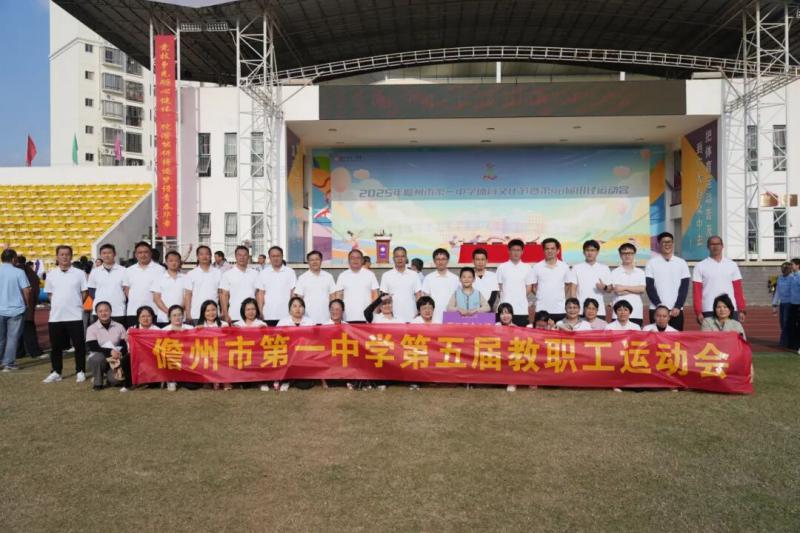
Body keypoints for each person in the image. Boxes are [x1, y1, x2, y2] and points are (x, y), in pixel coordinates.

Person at [43, 245, 89, 383]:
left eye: (67, 254)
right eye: (61, 254)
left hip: (75, 315)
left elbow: (84, 292)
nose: (64, 257)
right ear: (57, 256)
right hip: (56, 316)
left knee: (79, 345)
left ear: (71, 256)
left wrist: (75, 304)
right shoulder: (51, 274)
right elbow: (50, 294)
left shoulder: (79, 273)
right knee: (56, 347)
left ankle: (80, 371)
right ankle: (56, 371)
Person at [692, 236, 747, 325]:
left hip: (730, 308)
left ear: (722, 246)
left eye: (718, 244)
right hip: (708, 309)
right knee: (710, 335)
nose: (715, 246)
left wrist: (741, 309)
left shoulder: (732, 265)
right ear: (708, 246)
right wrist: (698, 311)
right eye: (712, 244)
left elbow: (738, 290)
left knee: (731, 334)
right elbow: (697, 292)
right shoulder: (700, 266)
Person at [645, 232, 690, 330]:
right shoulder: (651, 263)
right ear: (658, 245)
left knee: (676, 338)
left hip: (676, 310)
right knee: (656, 338)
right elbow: (649, 287)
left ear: (673, 244)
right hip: (656, 309)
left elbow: (684, 287)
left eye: (669, 242)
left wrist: (678, 306)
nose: (667, 244)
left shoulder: (681, 263)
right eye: (664, 242)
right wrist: (659, 305)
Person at [85, 301, 131, 391]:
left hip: (115, 359)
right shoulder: (91, 328)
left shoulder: (119, 326)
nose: (103, 313)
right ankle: (98, 383)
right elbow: (93, 347)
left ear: (110, 311)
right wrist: (110, 351)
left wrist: (119, 353)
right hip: (99, 357)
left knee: (116, 381)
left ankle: (109, 378)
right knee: (97, 358)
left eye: (106, 310)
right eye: (100, 311)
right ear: (96, 313)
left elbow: (124, 344)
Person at [528, 238, 573, 322]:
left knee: (560, 330)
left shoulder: (564, 267)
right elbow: (533, 287)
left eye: (552, 248)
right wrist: (540, 295)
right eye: (547, 249)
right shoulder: (537, 267)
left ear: (557, 251)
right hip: (541, 309)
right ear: (544, 250)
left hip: (560, 309)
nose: (550, 251)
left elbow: (567, 285)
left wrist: (559, 296)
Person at [0, 249, 31, 371]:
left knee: (1, 338)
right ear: (14, 259)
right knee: (12, 338)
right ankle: (8, 363)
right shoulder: (19, 272)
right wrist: (27, 303)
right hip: (16, 309)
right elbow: (26, 290)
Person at [122, 241, 165, 329]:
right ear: (136, 255)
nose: (143, 255)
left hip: (155, 311)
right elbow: (126, 289)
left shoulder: (160, 269)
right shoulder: (129, 270)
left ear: (151, 253)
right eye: (140, 252)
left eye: (146, 252)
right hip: (133, 312)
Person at [569, 240, 611, 318]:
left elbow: (610, 289)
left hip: (599, 310)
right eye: (587, 250)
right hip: (580, 310)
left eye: (592, 250)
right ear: (583, 252)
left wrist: (604, 287)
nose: (590, 253)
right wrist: (574, 307)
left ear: (597, 252)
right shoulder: (576, 268)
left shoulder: (604, 268)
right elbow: (573, 289)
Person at [334, 249, 379, 323]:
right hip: (347, 317)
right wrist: (339, 315)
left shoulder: (370, 275)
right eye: (352, 258)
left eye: (358, 258)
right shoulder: (342, 276)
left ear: (362, 260)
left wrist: (374, 313)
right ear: (348, 261)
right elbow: (338, 297)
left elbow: (375, 296)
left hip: (367, 318)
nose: (355, 260)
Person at [379, 246, 422, 323]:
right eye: (397, 256)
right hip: (392, 318)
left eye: (402, 256)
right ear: (393, 259)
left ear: (406, 258)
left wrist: (419, 313)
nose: (400, 259)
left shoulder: (414, 275)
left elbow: (418, 295)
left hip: (412, 317)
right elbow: (383, 298)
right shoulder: (386, 275)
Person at [256, 246, 297, 326]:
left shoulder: (290, 272)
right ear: (269, 258)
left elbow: (293, 293)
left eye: (278, 256)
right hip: (268, 314)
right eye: (273, 256)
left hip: (286, 315)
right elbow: (260, 294)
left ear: (282, 256)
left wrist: (294, 310)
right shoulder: (263, 273)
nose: (275, 258)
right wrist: (260, 311)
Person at [607, 243, 646, 327]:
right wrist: (635, 290)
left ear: (634, 254)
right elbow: (618, 291)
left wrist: (624, 287)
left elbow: (642, 289)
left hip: (636, 312)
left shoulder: (640, 272)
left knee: (636, 335)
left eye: (630, 253)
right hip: (618, 313)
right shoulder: (614, 272)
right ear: (620, 255)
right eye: (624, 253)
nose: (627, 256)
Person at [292, 250, 336, 325]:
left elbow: (333, 297)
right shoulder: (302, 278)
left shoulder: (328, 276)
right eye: (312, 260)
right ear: (308, 262)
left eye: (317, 259)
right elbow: (299, 300)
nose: (314, 262)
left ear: (321, 261)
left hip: (326, 318)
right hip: (307, 319)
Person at [87, 243, 126, 324]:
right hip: (100, 311)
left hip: (118, 311)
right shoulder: (95, 272)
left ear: (114, 254)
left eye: (109, 253)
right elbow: (91, 290)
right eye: (104, 253)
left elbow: (126, 290)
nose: (106, 255)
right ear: (100, 255)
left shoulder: (124, 271)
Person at [496, 239, 532, 326]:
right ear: (509, 251)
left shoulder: (527, 268)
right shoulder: (502, 267)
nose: (516, 253)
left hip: (521, 310)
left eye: (518, 250)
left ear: (522, 252)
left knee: (521, 334)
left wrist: (519, 297)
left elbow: (529, 287)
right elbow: (498, 287)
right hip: (504, 311)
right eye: (513, 250)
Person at [219, 245, 259, 324]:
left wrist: (259, 312)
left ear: (248, 257)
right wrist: (225, 314)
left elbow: (258, 295)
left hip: (252, 315)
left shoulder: (255, 274)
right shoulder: (227, 274)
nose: (242, 257)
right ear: (235, 257)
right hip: (234, 315)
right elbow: (224, 295)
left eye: (244, 255)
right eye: (239, 255)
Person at [184, 245, 222, 324]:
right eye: (201, 254)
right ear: (197, 257)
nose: (204, 256)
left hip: (214, 314)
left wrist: (223, 312)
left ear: (211, 256)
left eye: (207, 254)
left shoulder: (218, 273)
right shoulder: (191, 274)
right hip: (196, 314)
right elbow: (188, 295)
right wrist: (187, 313)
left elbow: (221, 294)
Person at [14, 255, 42, 359]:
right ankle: (34, 351)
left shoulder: (16, 271)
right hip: (27, 304)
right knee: (28, 329)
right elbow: (35, 287)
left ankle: (19, 352)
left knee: (17, 330)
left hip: (15, 305)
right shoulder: (29, 272)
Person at [422, 248, 460, 324]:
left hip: (451, 318)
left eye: (443, 259)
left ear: (448, 260)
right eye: (438, 259)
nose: (440, 262)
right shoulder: (428, 278)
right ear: (434, 261)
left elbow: (459, 300)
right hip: (433, 318)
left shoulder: (455, 278)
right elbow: (425, 300)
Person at [151, 250, 187, 327]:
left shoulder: (185, 278)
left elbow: (186, 297)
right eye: (171, 261)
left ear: (180, 262)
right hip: (164, 317)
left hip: (181, 317)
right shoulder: (158, 278)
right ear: (166, 262)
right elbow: (156, 298)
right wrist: (169, 312)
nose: (173, 263)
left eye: (176, 261)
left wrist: (177, 312)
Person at [772, 262, 793, 348]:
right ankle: (788, 341)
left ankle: (784, 342)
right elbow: (777, 291)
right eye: (782, 268)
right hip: (782, 304)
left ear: (790, 269)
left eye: (786, 268)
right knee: (782, 323)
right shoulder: (780, 278)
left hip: (790, 304)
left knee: (786, 323)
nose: (784, 270)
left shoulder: (793, 278)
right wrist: (774, 304)